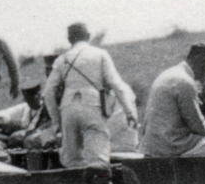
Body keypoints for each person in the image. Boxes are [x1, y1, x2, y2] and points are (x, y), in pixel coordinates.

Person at [44, 22, 137, 168]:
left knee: (72, 159)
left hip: (67, 109)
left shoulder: (61, 60)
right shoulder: (100, 55)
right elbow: (116, 85)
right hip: (92, 106)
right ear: (88, 36)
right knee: (97, 156)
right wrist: (130, 112)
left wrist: (57, 122)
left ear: (69, 39)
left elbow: (48, 93)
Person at [140, 42, 205, 157]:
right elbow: (197, 125)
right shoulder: (184, 81)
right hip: (170, 145)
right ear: (201, 62)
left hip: (152, 144)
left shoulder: (172, 73)